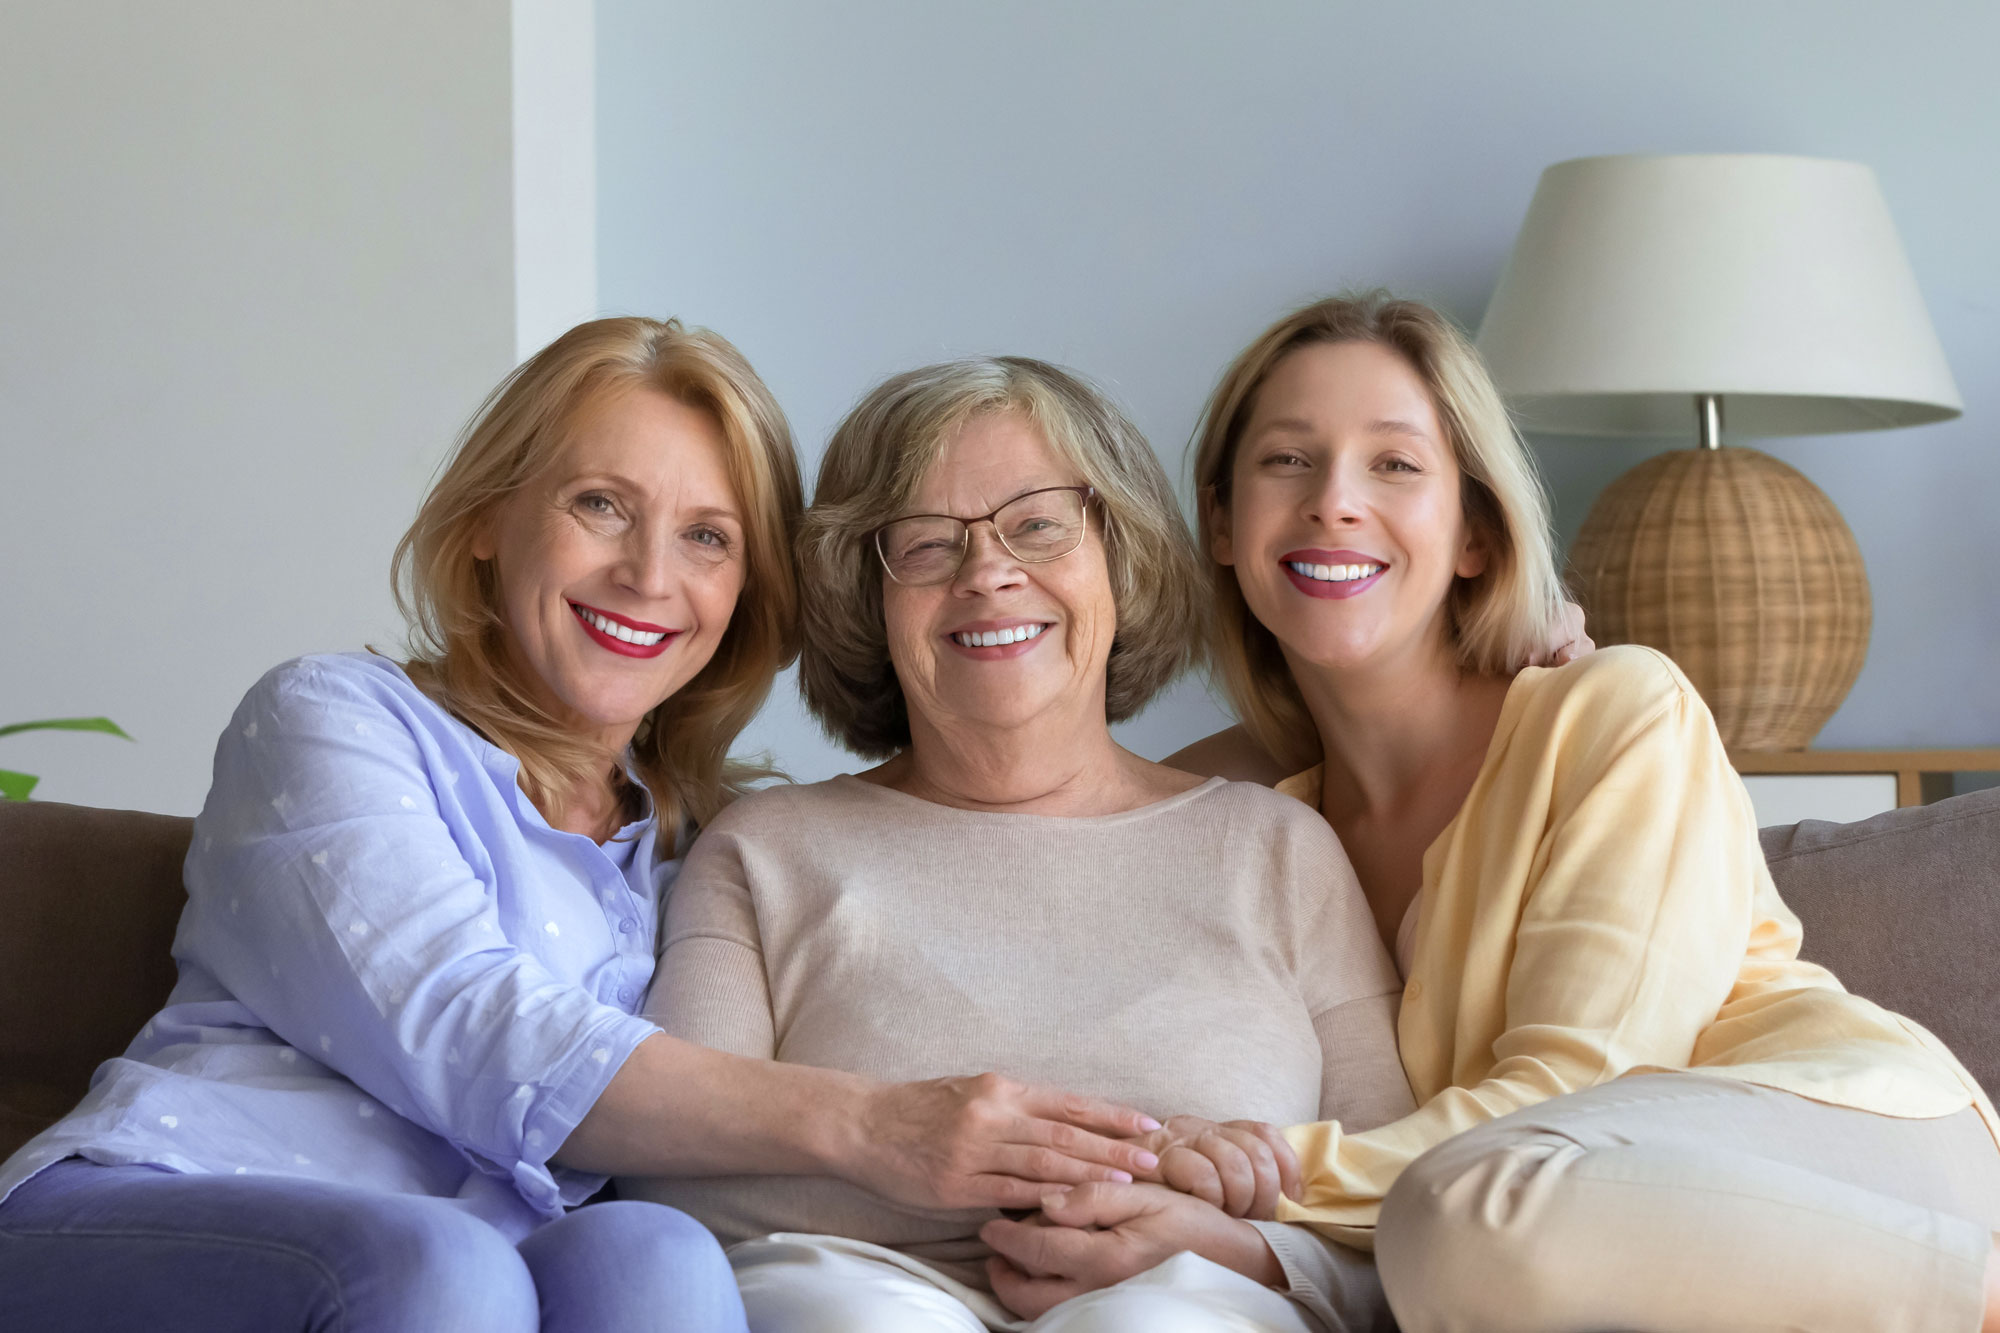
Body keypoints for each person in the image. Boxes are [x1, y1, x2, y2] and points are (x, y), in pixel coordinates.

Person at [0, 318, 1162, 1333]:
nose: (649, 573)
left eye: (708, 536)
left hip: (485, 1259)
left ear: (743, 596)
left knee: (652, 1254)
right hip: (159, 1205)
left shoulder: (709, 841)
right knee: (439, 1264)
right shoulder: (330, 718)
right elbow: (468, 1024)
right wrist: (868, 1125)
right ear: (489, 523)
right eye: (601, 504)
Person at [978, 293, 2000, 1333]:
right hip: (1519, 1224)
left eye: (1393, 464)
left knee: (1463, 1216)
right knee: (1454, 1242)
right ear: (1221, 526)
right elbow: (1002, 864)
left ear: (1471, 531)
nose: (1333, 499)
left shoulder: (1611, 709)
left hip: (1840, 1145)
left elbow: (1582, 1084)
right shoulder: (1232, 812)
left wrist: (1248, 1173)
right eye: (1286, 460)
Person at [619, 354, 1417, 1332]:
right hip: (849, 1295)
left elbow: (1406, 1211)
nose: (989, 572)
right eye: (922, 544)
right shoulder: (762, 852)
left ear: (1119, 561)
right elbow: (666, 1183)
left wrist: (1220, 1239)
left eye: (1038, 525)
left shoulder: (1274, 849)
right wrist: (981, 1180)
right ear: (860, 596)